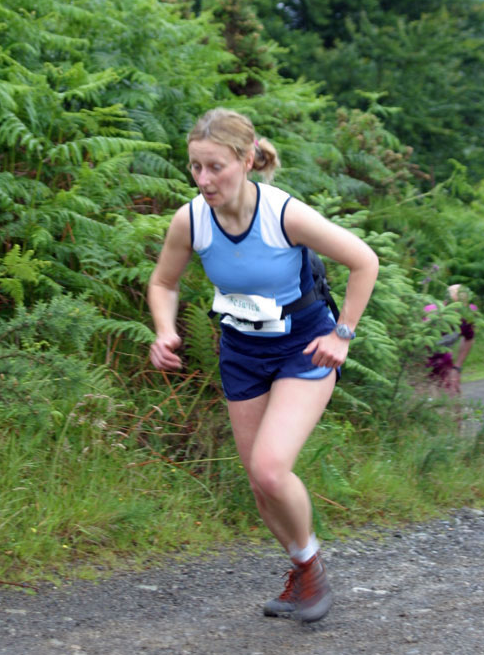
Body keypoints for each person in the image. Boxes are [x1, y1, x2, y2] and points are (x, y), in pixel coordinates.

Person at [148, 108, 379, 622]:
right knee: (259, 485)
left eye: (216, 167)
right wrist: (164, 330)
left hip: (305, 346)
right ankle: (304, 566)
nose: (204, 180)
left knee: (271, 470)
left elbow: (364, 261)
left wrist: (342, 335)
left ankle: (311, 570)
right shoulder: (191, 220)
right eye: (195, 167)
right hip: (242, 351)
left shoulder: (283, 215)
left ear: (246, 160)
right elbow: (164, 282)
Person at [423, 284, 477, 396]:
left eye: (462, 305)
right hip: (419, 358)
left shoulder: (467, 317)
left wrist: (457, 368)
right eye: (455, 305)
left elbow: (469, 339)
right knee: (422, 395)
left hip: (443, 357)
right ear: (445, 302)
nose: (458, 310)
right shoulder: (431, 316)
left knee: (452, 394)